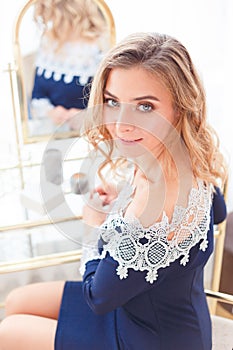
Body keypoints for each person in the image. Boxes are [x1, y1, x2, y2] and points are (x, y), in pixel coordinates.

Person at [0, 32, 227, 349]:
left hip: (149, 338)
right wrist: (124, 206)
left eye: (144, 107)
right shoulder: (188, 158)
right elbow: (217, 213)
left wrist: (94, 222)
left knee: (9, 330)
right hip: (152, 309)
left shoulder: (152, 202)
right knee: (18, 299)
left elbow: (98, 297)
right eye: (112, 101)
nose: (121, 124)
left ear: (180, 107)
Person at [29, 0, 110, 135]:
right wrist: (51, 112)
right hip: (53, 133)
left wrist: (88, 116)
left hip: (91, 136)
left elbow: (112, 102)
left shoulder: (101, 48)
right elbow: (38, 93)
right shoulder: (48, 44)